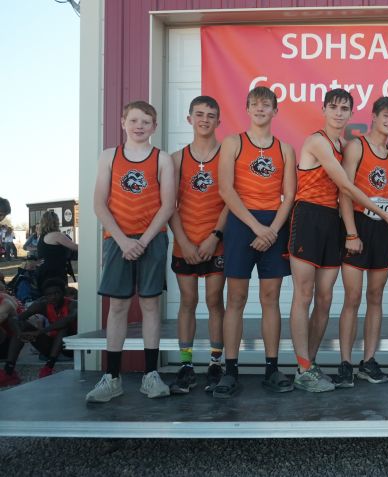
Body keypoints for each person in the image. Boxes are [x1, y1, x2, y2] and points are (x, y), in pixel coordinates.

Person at [288, 89, 388, 393]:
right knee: (304, 294)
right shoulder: (318, 141)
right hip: (310, 215)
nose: (339, 113)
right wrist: (383, 214)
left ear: (352, 114)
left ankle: (310, 364)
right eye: (334, 107)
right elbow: (346, 186)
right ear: (324, 109)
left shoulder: (343, 144)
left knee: (324, 297)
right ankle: (302, 366)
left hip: (331, 222)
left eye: (344, 109)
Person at [87, 100, 175, 402]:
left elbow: (168, 205)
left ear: (154, 127)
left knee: (150, 306)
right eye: (134, 120)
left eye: (146, 121)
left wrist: (144, 240)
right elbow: (99, 202)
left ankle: (151, 375)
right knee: (119, 307)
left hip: (152, 239)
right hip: (118, 240)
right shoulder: (109, 156)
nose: (139, 126)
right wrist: (124, 241)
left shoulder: (161, 159)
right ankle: (112, 378)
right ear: (123, 122)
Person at [213, 87, 296, 398]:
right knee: (235, 298)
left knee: (271, 298)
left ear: (276, 111)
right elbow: (225, 190)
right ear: (247, 109)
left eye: (267, 104)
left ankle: (272, 368)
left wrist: (272, 229)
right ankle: (230, 370)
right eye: (255, 104)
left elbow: (289, 195)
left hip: (272, 226)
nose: (261, 109)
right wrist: (256, 228)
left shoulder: (285, 148)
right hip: (242, 223)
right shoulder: (233, 143)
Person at [334, 97, 388, 388]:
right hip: (358, 225)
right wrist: (351, 233)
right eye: (387, 115)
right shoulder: (356, 147)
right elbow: (345, 192)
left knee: (375, 297)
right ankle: (346, 363)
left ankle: (369, 360)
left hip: (383, 229)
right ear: (374, 117)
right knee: (352, 297)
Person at [167, 96, 229, 394]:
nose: (205, 119)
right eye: (199, 114)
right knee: (188, 302)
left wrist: (215, 235)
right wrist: (183, 242)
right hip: (185, 243)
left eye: (211, 115)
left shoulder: (226, 155)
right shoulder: (177, 159)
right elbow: (170, 205)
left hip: (215, 242)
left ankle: (215, 363)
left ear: (219, 121)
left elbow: (232, 200)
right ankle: (186, 365)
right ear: (189, 118)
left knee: (215, 302)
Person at [0, 279, 77, 386]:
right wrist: (19, 333)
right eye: (49, 294)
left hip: (70, 349)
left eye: (57, 293)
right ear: (45, 295)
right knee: (22, 326)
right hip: (50, 347)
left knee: (63, 328)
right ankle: (9, 371)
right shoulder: (42, 304)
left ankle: (49, 368)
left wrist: (39, 332)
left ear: (63, 293)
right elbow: (15, 319)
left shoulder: (73, 304)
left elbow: (66, 321)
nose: (53, 297)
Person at [35, 211, 77, 290]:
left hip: (44, 272)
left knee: (47, 298)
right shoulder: (56, 235)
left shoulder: (42, 237)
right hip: (55, 273)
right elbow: (75, 247)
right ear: (55, 222)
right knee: (58, 298)